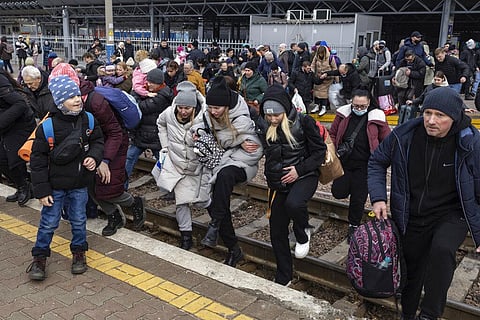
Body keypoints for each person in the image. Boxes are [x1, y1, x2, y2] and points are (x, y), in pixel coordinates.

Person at [368, 87, 480, 320]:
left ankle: (429, 314)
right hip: (413, 212)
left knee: (442, 249)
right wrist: (378, 197)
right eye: (427, 113)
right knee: (411, 269)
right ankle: (407, 315)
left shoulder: (471, 142)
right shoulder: (405, 135)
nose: (431, 120)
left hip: (452, 212)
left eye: (440, 116)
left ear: (454, 118)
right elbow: (377, 162)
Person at [26, 75, 104, 281]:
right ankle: (39, 257)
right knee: (48, 223)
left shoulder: (88, 119)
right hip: (54, 187)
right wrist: (42, 191)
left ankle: (79, 252)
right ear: (60, 102)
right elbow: (38, 161)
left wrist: (94, 157)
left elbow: (98, 141)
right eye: (71, 97)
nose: (77, 99)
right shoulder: (47, 127)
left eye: (78, 94)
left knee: (78, 220)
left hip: (79, 184)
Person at [255, 84, 326, 286]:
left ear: (285, 110)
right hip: (278, 181)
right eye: (269, 116)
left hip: (304, 175)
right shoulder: (263, 123)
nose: (273, 119)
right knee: (276, 230)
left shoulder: (304, 122)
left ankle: (303, 231)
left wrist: (299, 170)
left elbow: (319, 153)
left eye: (276, 115)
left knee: (294, 204)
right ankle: (283, 276)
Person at [199, 76, 263, 267]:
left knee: (224, 178)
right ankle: (233, 248)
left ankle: (215, 225)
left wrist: (228, 140)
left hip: (243, 163)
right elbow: (203, 128)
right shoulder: (209, 114)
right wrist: (201, 132)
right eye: (210, 107)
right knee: (215, 199)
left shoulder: (242, 117)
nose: (213, 112)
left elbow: (247, 147)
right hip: (219, 160)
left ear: (226, 107)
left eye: (217, 108)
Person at [329, 89, 390, 237]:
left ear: (369, 103)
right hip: (344, 161)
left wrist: (382, 160)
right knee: (338, 192)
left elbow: (387, 140)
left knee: (358, 198)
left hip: (366, 165)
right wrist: (332, 149)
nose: (358, 109)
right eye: (355, 105)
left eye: (362, 106)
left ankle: (354, 225)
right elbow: (332, 133)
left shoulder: (377, 117)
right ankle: (351, 187)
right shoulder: (343, 114)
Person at [156, 81, 210, 250]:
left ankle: (217, 228)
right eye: (181, 107)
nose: (183, 111)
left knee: (205, 201)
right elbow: (160, 124)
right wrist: (165, 146)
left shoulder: (206, 117)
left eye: (187, 108)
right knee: (182, 202)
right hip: (177, 165)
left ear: (194, 107)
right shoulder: (168, 114)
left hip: (198, 166)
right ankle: (186, 235)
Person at [126, 68, 173, 186]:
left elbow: (141, 107)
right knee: (129, 159)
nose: (148, 84)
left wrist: (135, 93)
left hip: (155, 136)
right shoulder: (151, 92)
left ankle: (169, 187)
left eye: (152, 82)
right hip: (144, 134)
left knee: (163, 162)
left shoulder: (163, 96)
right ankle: (121, 186)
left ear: (159, 83)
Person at [0, 69, 36, 206]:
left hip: (21, 124)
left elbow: (20, 103)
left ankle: (24, 187)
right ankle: (23, 185)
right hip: (8, 124)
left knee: (14, 159)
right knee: (2, 160)